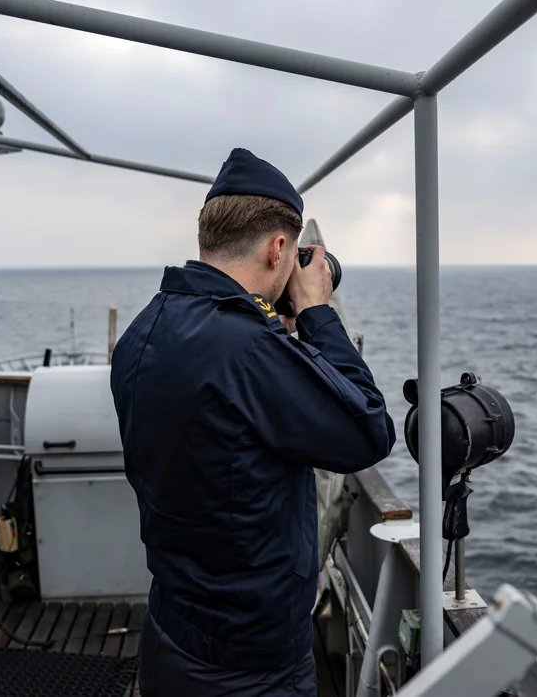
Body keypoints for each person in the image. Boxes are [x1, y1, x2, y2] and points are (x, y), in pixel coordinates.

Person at [111, 147, 396, 696]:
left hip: (174, 625)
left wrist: (280, 333)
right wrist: (315, 312)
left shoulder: (146, 329)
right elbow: (368, 431)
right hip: (249, 662)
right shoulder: (246, 350)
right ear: (278, 248)